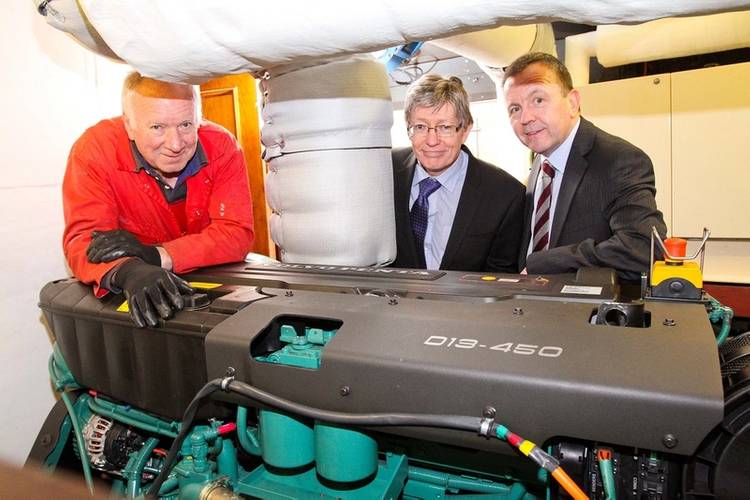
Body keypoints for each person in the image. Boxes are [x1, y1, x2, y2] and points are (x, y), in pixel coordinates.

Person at [62, 72, 254, 327]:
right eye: (157, 127)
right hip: (134, 292)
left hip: (211, 287)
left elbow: (236, 233)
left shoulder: (222, 147)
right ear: (129, 125)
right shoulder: (95, 150)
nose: (175, 144)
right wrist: (130, 270)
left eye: (186, 125)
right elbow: (86, 241)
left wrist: (157, 255)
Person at [502, 52, 667, 282]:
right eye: (514, 109)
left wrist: (544, 263)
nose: (525, 118)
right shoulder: (539, 162)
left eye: (538, 100)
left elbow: (642, 249)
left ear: (572, 103)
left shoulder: (620, 160)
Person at [392, 74, 524, 272]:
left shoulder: (505, 195)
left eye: (445, 127)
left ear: (465, 130)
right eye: (420, 127)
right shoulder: (386, 171)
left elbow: (501, 277)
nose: (432, 140)